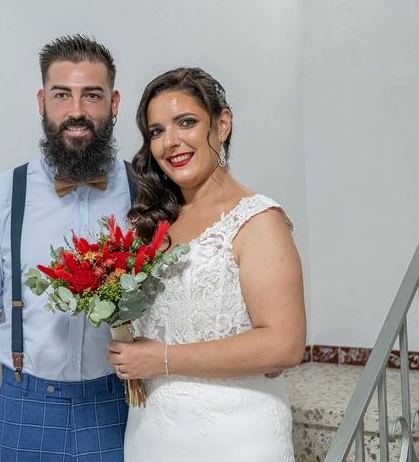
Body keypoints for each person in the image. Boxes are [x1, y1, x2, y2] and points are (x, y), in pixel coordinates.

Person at [0, 35, 132, 462]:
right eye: (62, 94)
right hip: (23, 407)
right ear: (41, 101)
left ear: (114, 102)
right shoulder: (2, 194)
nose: (77, 111)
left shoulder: (145, 191)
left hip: (121, 406)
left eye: (92, 95)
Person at [107, 67, 305, 461]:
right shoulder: (151, 223)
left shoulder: (256, 219)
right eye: (157, 131)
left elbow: (285, 344)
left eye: (187, 122)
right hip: (151, 433)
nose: (171, 142)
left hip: (235, 435)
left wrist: (160, 359)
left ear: (223, 123)